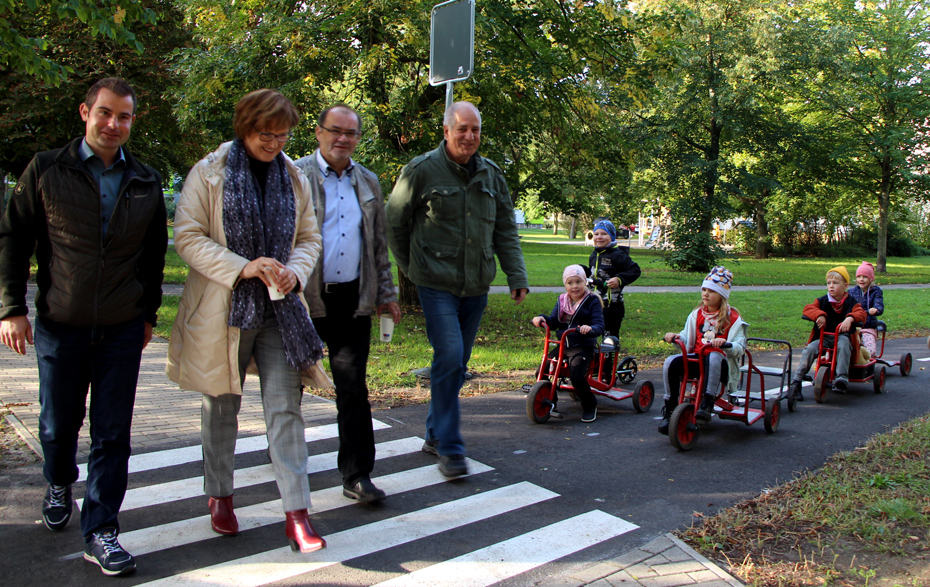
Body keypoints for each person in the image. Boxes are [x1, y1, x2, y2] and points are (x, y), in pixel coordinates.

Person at [0, 78, 167, 576]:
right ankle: (57, 480)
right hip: (60, 323)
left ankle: (102, 530)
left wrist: (148, 315)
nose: (114, 124)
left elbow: (154, 255)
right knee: (56, 426)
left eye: (125, 117)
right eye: (106, 114)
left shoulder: (145, 179)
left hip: (120, 328)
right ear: (85, 112)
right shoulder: (47, 168)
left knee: (112, 435)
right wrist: (12, 307)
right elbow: (14, 239)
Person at [165, 90, 327, 553]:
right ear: (245, 127)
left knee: (285, 409)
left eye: (282, 134)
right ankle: (220, 496)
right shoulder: (209, 172)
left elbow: (308, 237)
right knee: (221, 408)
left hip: (280, 311)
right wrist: (243, 266)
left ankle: (297, 514)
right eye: (265, 134)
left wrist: (294, 270)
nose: (275, 143)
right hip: (224, 312)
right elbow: (188, 237)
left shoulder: (293, 176)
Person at [386, 101, 529, 478]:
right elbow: (394, 224)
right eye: (462, 128)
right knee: (449, 355)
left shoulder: (491, 175)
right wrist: (411, 268)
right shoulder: (420, 171)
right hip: (435, 284)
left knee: (455, 363)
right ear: (446, 131)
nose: (469, 136)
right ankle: (450, 447)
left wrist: (517, 275)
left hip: (476, 285)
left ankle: (434, 434)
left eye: (475, 130)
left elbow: (504, 230)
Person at [293, 104, 401, 504]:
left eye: (351, 133)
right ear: (318, 132)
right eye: (335, 130)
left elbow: (378, 245)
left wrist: (386, 295)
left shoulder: (368, 181)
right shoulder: (295, 175)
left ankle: (357, 474)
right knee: (290, 388)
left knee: (353, 387)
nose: (342, 139)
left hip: (354, 300)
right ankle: (285, 459)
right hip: (302, 302)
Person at [658, 266, 747, 434]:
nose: (706, 294)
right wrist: (676, 337)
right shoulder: (696, 314)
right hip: (697, 360)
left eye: (711, 291)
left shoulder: (733, 318)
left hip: (720, 366)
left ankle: (707, 402)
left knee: (713, 356)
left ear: (722, 295)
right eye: (704, 289)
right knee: (671, 362)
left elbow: (740, 347)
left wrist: (726, 343)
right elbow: (686, 337)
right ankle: (670, 408)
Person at [531, 265, 605, 422]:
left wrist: (589, 328)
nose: (575, 286)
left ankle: (590, 405)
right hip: (564, 345)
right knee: (542, 371)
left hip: (582, 345)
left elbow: (599, 325)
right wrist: (542, 319)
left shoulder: (592, 301)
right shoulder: (562, 300)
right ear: (565, 285)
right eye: (570, 283)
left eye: (578, 282)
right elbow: (554, 321)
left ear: (585, 282)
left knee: (576, 375)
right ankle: (550, 403)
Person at [787, 266, 867, 401]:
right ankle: (797, 381)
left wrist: (850, 318)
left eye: (835, 283)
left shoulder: (851, 302)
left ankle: (841, 378)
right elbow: (808, 309)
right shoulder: (822, 301)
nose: (831, 286)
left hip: (842, 336)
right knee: (810, 349)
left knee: (843, 345)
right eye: (829, 283)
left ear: (845, 285)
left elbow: (861, 314)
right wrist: (819, 315)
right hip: (824, 337)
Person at [588, 218, 641, 337]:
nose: (599, 237)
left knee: (609, 336)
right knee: (593, 334)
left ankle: (610, 354)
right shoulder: (594, 254)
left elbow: (634, 270)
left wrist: (619, 279)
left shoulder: (617, 254)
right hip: (595, 302)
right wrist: (577, 269)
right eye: (596, 234)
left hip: (612, 305)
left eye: (604, 234)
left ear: (612, 236)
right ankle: (594, 355)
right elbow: (592, 272)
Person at [847, 261, 883, 358]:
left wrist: (876, 309)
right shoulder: (852, 292)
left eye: (865, 277)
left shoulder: (876, 291)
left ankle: (866, 359)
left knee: (869, 350)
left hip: (868, 325)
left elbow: (879, 303)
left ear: (871, 278)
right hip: (854, 326)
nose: (861, 279)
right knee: (845, 343)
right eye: (859, 277)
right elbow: (846, 304)